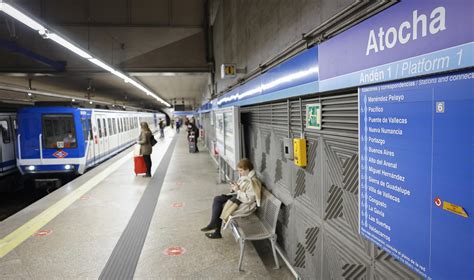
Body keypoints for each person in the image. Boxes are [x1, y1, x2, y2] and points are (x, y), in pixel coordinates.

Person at [201, 158, 262, 239]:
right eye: (239, 171)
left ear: (247, 169)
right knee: (218, 199)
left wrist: (238, 190)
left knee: (220, 204)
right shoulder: (245, 178)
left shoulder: (253, 182)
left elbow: (249, 199)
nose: (240, 173)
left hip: (244, 204)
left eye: (241, 171)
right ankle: (214, 226)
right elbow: (240, 190)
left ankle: (215, 229)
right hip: (238, 198)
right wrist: (234, 188)